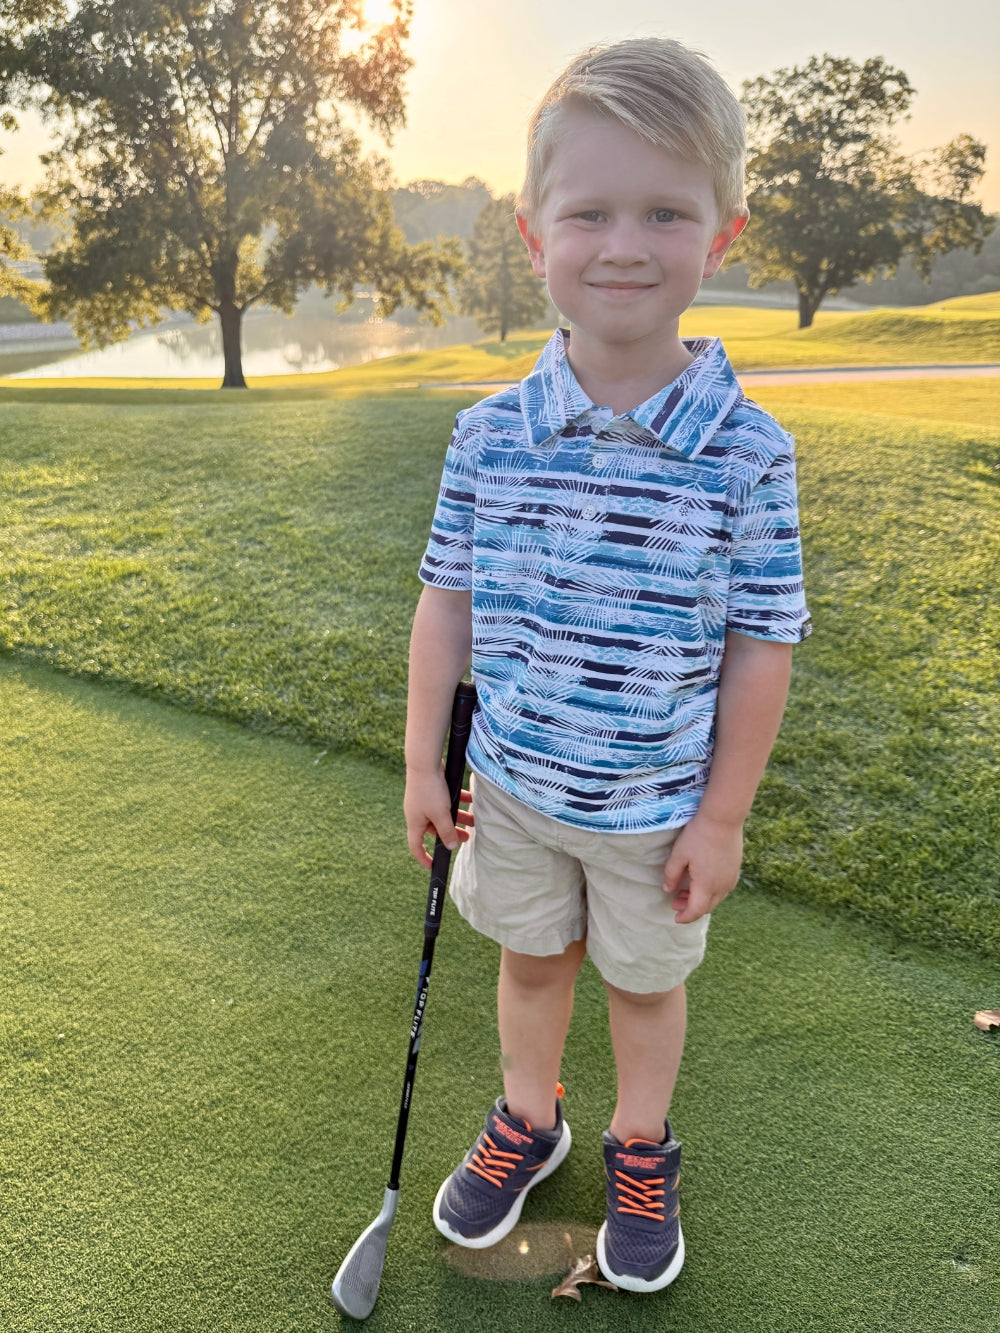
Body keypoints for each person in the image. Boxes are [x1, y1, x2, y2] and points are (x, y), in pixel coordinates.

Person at [403, 37, 811, 1293]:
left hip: (654, 809)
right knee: (530, 966)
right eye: (590, 211)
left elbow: (762, 642)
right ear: (533, 233)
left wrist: (723, 817)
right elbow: (446, 601)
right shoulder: (488, 434)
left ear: (722, 235)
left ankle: (640, 1144)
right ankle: (533, 1116)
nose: (623, 243)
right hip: (514, 788)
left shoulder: (747, 452)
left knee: (641, 988)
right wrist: (426, 759)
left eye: (664, 212)